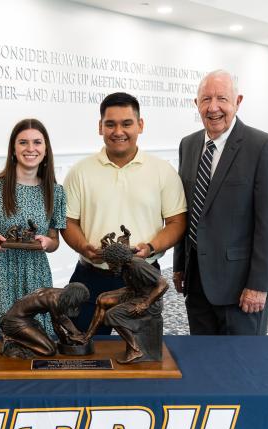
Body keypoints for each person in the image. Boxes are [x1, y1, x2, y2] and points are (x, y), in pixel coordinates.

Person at [173, 70, 268, 335]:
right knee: (204, 362)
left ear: (238, 101)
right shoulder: (188, 145)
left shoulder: (263, 146)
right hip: (198, 282)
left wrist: (258, 284)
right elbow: (185, 211)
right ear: (196, 104)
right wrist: (180, 267)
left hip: (242, 288)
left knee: (242, 366)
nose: (213, 108)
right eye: (206, 99)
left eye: (222, 99)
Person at [62, 92, 187, 334]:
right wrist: (83, 247)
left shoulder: (163, 171)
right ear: (100, 127)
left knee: (141, 354)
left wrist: (150, 247)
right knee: (81, 348)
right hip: (90, 277)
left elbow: (176, 221)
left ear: (140, 125)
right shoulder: (80, 172)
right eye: (110, 124)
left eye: (126, 123)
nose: (118, 131)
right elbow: (68, 221)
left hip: (142, 277)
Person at [0, 119, 67, 335]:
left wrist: (47, 242)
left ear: (45, 149)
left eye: (37, 142)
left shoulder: (56, 191)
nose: (31, 149)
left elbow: (55, 242)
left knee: (38, 340)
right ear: (13, 149)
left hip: (36, 274)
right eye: (23, 142)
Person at [83, 243, 168, 364]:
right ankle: (88, 336)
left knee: (112, 315)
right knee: (102, 298)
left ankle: (135, 350)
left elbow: (163, 284)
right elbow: (126, 249)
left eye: (110, 262)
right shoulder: (125, 262)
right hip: (134, 292)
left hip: (147, 300)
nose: (109, 266)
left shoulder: (137, 265)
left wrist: (145, 304)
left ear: (117, 260)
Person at [0, 283, 89, 358]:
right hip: (15, 322)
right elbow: (57, 324)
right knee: (49, 350)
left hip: (26, 320)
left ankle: (15, 338)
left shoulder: (60, 293)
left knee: (50, 344)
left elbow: (62, 319)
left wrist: (76, 333)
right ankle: (12, 339)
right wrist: (67, 341)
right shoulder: (54, 300)